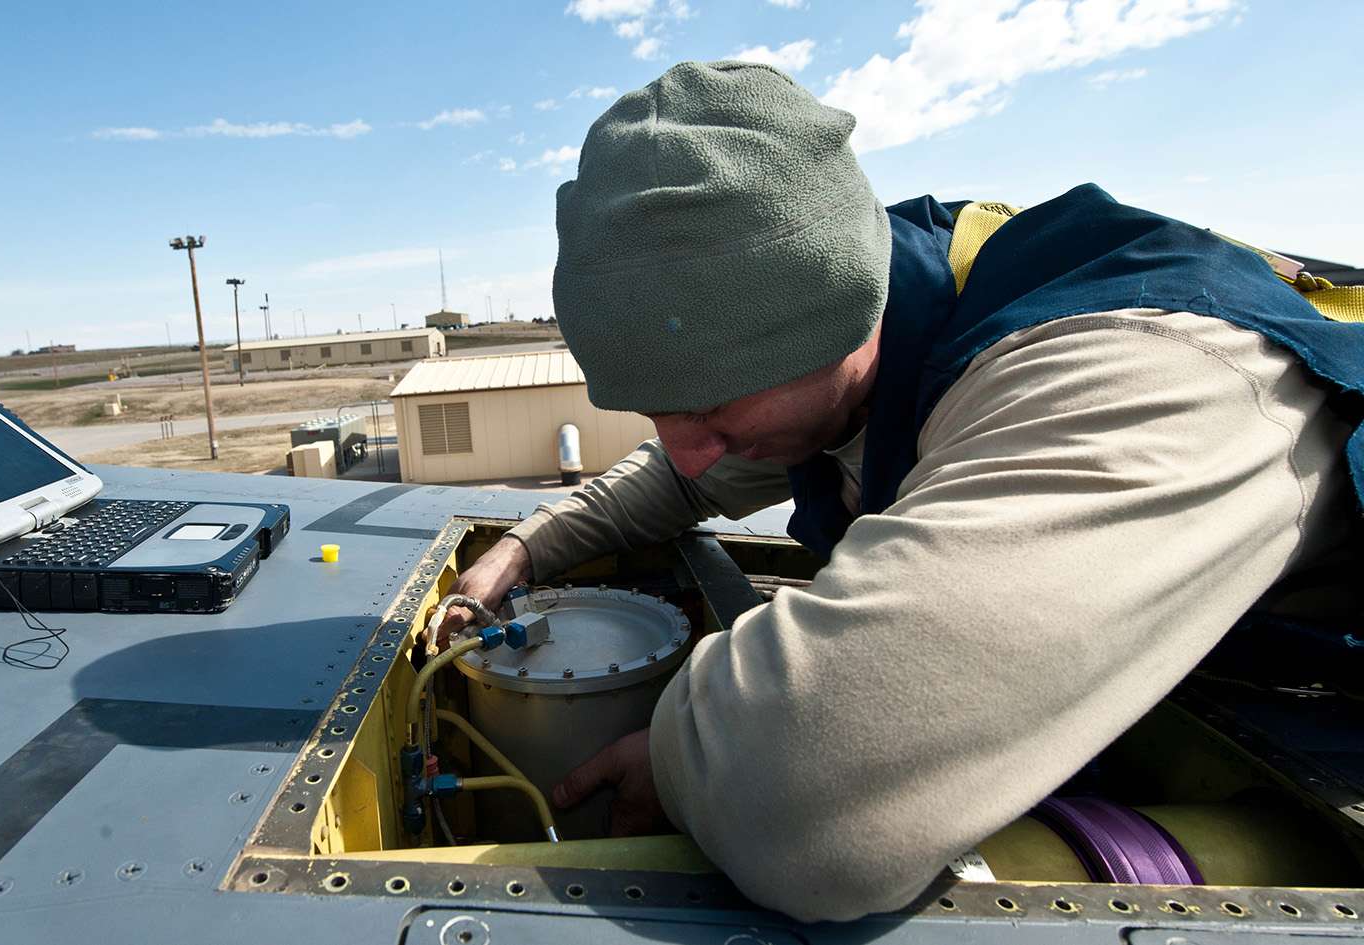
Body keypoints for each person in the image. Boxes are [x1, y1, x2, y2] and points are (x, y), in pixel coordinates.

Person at [439, 60, 1363, 922]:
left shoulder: (1134, 372)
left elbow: (805, 793)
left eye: (714, 409)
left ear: (839, 323)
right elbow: (685, 476)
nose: (688, 454)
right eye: (654, 413)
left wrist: (679, 760)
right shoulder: (880, 332)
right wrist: (528, 546)